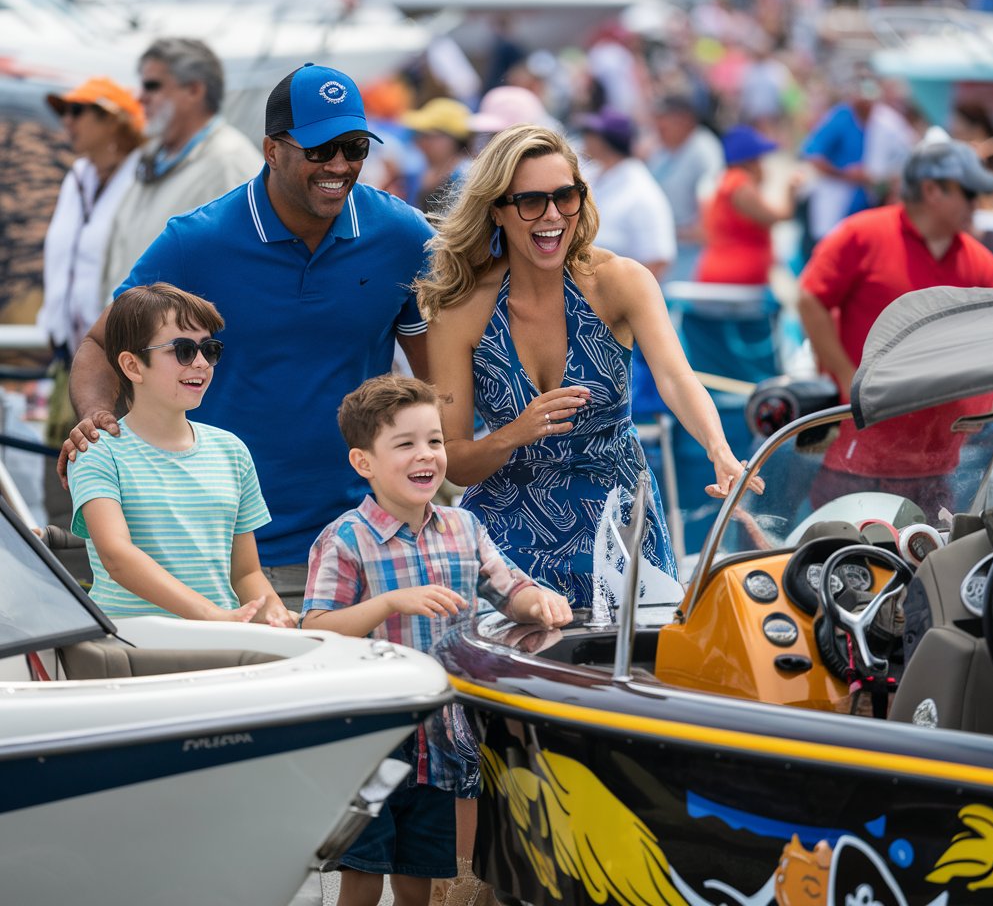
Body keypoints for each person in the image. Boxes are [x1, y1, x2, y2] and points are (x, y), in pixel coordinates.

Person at [60, 63, 434, 608]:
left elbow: (438, 380)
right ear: (272, 149)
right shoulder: (197, 241)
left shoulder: (402, 235)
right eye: (319, 149)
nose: (339, 165)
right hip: (226, 559)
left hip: (365, 545)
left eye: (354, 148)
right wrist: (97, 420)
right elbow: (100, 343)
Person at [416, 124, 757, 607]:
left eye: (565, 196)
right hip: (508, 544)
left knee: (639, 669)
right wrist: (518, 431)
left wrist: (719, 450)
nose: (552, 215)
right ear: (497, 211)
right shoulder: (461, 310)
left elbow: (676, 378)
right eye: (531, 201)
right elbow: (456, 462)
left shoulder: (620, 281)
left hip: (619, 530)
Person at [303, 374, 571, 906]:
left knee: (420, 877)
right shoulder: (345, 539)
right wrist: (388, 603)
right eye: (405, 444)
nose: (426, 455)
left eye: (434, 441)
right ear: (364, 463)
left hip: (446, 734)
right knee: (362, 872)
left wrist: (539, 601)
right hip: (373, 736)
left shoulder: (464, 527)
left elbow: (509, 587)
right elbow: (315, 630)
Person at [798, 138, 993, 515]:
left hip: (938, 464)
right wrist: (846, 375)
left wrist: (983, 408)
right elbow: (810, 298)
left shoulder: (982, 263)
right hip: (856, 455)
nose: (978, 205)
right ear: (931, 190)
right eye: (970, 193)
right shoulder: (861, 234)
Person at [67, 283, 292, 626]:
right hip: (132, 649)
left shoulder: (231, 450)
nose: (201, 362)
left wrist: (273, 613)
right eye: (183, 350)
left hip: (222, 643)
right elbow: (117, 557)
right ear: (132, 365)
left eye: (210, 350)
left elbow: (245, 572)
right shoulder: (97, 451)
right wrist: (212, 616)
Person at [100, 37, 262, 300]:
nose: (140, 98)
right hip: (130, 336)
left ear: (194, 91)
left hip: (180, 340)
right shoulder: (150, 159)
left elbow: (245, 277)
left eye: (152, 86)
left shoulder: (229, 163)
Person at [39, 77, 146, 447]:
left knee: (108, 469)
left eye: (77, 111)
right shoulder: (77, 177)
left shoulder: (143, 177)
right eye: (64, 112)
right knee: (63, 468)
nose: (67, 121)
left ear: (113, 119)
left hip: (120, 359)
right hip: (70, 351)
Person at [580, 107, 676, 280]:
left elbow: (657, 260)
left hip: (614, 298)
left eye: (591, 134)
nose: (585, 139)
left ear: (604, 142)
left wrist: (622, 300)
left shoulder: (641, 192)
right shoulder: (595, 175)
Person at [695, 124, 797, 286]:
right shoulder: (739, 183)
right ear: (749, 162)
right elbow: (777, 216)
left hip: (721, 269)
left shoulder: (725, 181)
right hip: (736, 275)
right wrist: (790, 190)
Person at [646, 92, 724, 282]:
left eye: (664, 118)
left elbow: (711, 201)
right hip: (665, 244)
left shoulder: (704, 150)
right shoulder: (661, 150)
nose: (658, 125)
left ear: (685, 120)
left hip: (692, 252)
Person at [800, 78, 877, 248]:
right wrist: (844, 175)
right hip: (835, 199)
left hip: (862, 202)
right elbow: (813, 155)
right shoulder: (841, 117)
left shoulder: (878, 119)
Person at [401, 97, 473, 214]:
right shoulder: (425, 170)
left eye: (429, 136)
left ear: (453, 140)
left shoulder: (465, 177)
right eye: (419, 135)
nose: (421, 142)